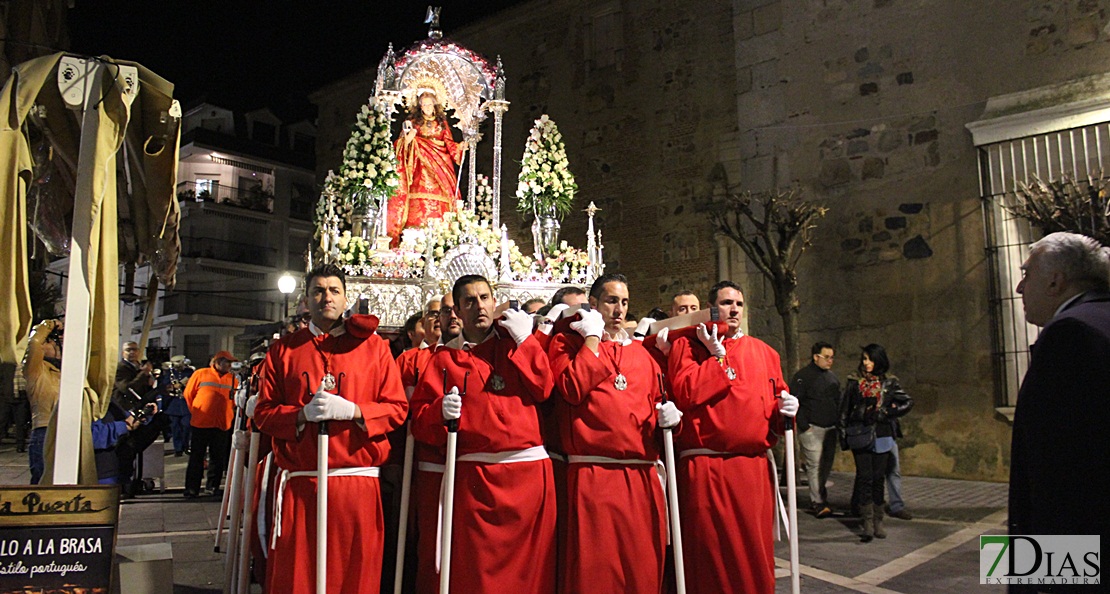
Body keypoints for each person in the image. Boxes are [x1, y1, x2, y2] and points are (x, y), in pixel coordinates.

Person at [254, 263, 407, 594]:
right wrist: (300, 415)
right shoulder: (283, 350)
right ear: (306, 299)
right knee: (301, 577)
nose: (327, 297)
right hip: (303, 484)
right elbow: (263, 414)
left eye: (334, 290)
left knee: (356, 575)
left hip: (357, 485)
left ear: (345, 297)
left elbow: (397, 410)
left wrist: (354, 411)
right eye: (319, 291)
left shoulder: (376, 348)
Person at [411, 274, 556, 593]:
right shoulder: (444, 360)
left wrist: (525, 342)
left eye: (485, 297)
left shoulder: (514, 345)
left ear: (495, 301)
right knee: (476, 575)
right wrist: (439, 412)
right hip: (476, 483)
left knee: (529, 576)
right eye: (469, 301)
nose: (479, 306)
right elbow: (419, 423)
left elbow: (544, 388)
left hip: (527, 479)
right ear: (457, 312)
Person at [666, 280, 798, 594]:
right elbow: (685, 392)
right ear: (711, 309)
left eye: (738, 303)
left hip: (752, 471)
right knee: (710, 550)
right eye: (726, 303)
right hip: (706, 469)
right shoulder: (688, 346)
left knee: (754, 550)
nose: (734, 309)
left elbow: (775, 405)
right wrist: (717, 357)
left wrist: (786, 410)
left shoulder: (765, 353)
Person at [547, 273, 670, 593]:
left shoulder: (643, 355)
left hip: (640, 476)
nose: (619, 309)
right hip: (594, 474)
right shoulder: (568, 344)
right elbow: (572, 388)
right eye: (612, 301)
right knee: (596, 569)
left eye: (625, 302)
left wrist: (672, 420)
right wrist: (592, 340)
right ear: (594, 304)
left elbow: (658, 406)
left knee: (639, 566)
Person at [1010, 232, 1110, 556]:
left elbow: (1061, 479)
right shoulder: (1099, 320)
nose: (1019, 288)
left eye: (1026, 274)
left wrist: (1044, 576)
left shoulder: (1070, 334)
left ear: (1055, 282)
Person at [839, 344, 912, 543]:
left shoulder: (889, 382)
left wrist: (887, 412)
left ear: (879, 360)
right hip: (860, 434)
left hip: (882, 434)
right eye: (864, 359)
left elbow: (907, 402)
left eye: (870, 359)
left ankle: (879, 520)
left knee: (879, 477)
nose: (866, 363)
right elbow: (844, 410)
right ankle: (867, 522)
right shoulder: (854, 381)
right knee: (865, 477)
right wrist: (844, 436)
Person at [387, 89, 464, 243]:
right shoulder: (413, 122)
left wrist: (460, 147)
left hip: (440, 165)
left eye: (429, 104)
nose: (427, 107)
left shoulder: (442, 123)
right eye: (424, 104)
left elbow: (449, 143)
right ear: (420, 106)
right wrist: (409, 138)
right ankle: (413, 232)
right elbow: (402, 143)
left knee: (443, 196)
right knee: (417, 191)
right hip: (419, 165)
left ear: (435, 105)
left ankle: (442, 234)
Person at [790, 341, 841, 518]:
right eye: (826, 357)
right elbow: (794, 402)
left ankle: (821, 497)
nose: (830, 361)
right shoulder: (802, 377)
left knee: (825, 466)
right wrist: (806, 427)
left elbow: (837, 401)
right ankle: (817, 502)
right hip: (813, 429)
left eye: (832, 357)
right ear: (815, 357)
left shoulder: (832, 377)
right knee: (815, 466)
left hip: (830, 429)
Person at [182, 350, 238, 498]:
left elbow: (234, 400)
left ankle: (213, 486)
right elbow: (188, 394)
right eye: (227, 362)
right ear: (218, 362)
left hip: (222, 424)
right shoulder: (201, 374)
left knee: (217, 457)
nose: (229, 365)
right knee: (196, 456)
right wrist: (197, 411)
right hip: (201, 422)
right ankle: (191, 488)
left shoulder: (232, 379)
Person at [23, 319, 63, 484]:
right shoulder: (36, 369)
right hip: (44, 430)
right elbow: (34, 342)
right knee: (42, 482)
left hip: (67, 429)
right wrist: (50, 324)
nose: (53, 343)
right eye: (49, 341)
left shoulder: (65, 371)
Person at [162, 355, 194, 457]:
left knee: (186, 426)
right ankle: (178, 448)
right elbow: (165, 384)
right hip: (174, 403)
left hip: (186, 402)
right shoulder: (170, 373)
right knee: (175, 427)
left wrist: (183, 382)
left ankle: (186, 445)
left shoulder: (189, 372)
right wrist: (171, 386)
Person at [113, 341, 155, 410]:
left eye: (134, 349)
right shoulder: (120, 368)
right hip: (127, 409)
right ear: (123, 353)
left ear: (138, 352)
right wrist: (144, 373)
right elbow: (127, 389)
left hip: (143, 406)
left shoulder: (140, 367)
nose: (132, 352)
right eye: (128, 350)